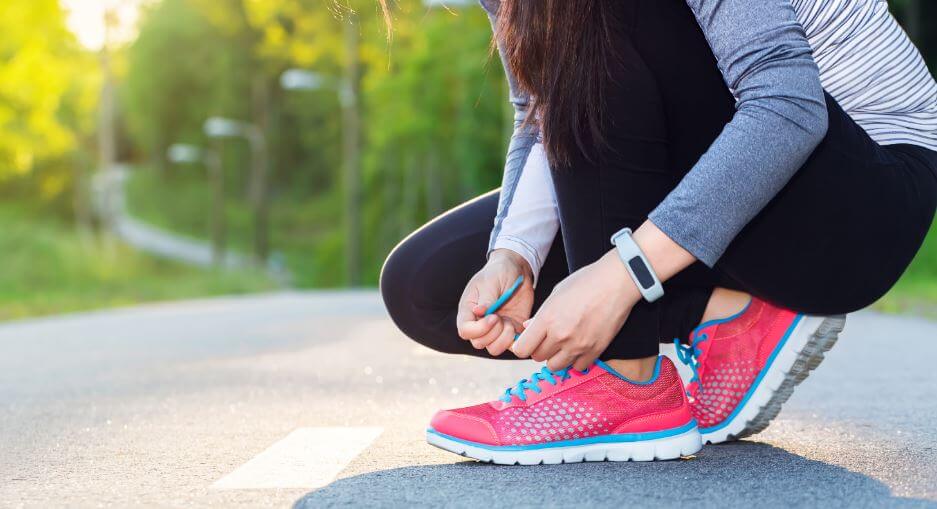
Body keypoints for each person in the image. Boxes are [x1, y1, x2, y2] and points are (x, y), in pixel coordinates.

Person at [380, 0, 937, 464]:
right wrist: (514, 254)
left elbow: (788, 104)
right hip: (734, 177)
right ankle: (728, 313)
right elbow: (545, 108)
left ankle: (624, 378)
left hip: (860, 198)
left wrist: (620, 277)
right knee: (425, 285)